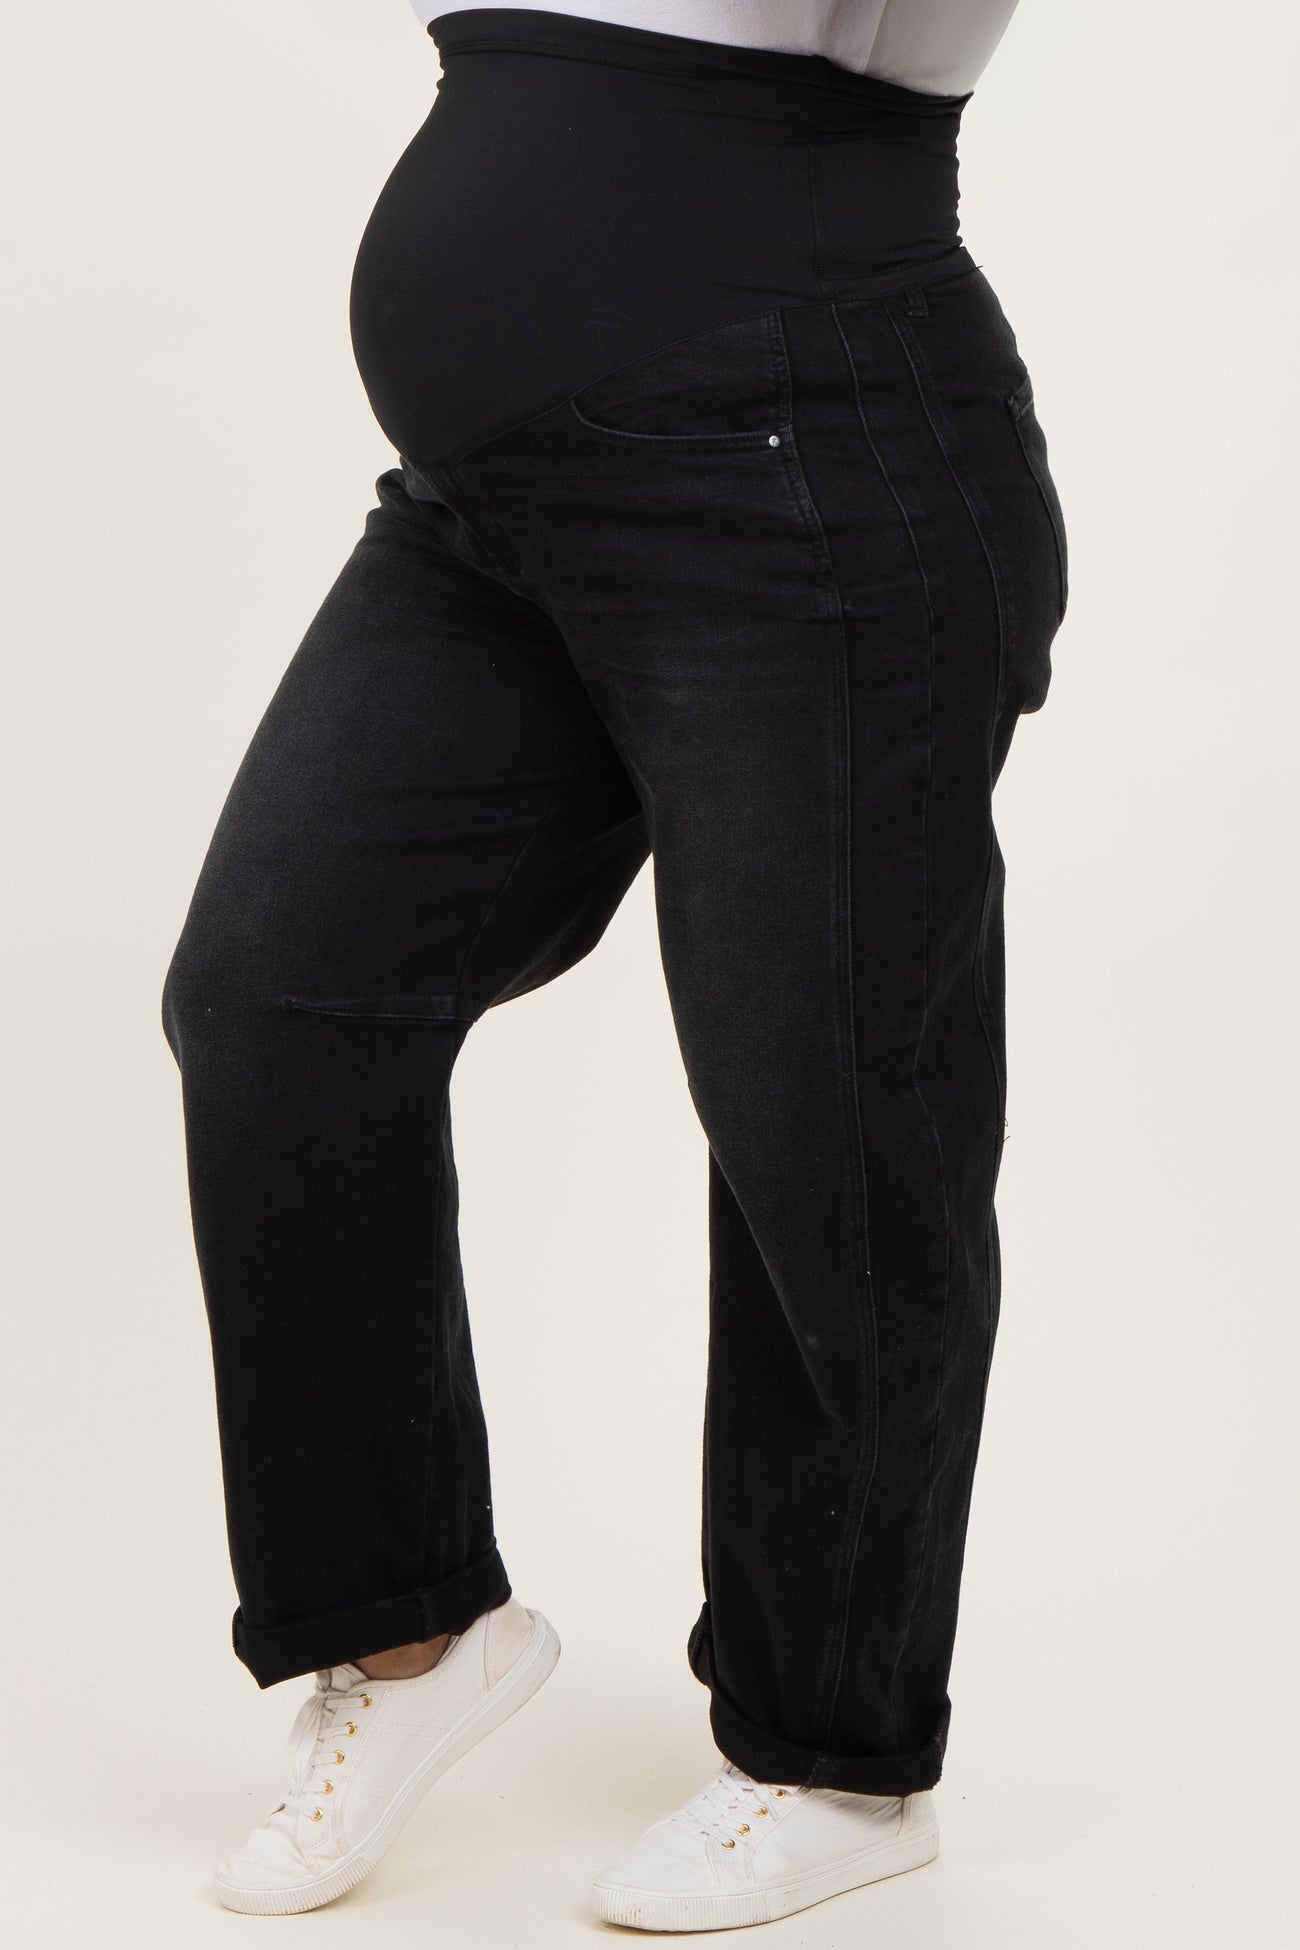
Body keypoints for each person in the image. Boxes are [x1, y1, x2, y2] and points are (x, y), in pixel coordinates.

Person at [159, 0, 1068, 1929]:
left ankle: (838, 1756)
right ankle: (406, 1629)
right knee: (279, 998)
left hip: (802, 464)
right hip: (492, 506)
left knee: (830, 1115)